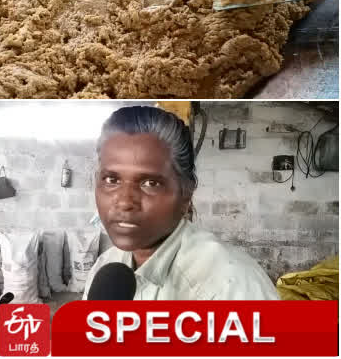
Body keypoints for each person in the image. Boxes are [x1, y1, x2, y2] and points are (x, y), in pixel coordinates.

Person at [84, 106, 279, 300]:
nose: (125, 202)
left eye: (150, 183)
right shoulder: (104, 269)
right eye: (111, 180)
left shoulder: (230, 287)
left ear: (186, 194)